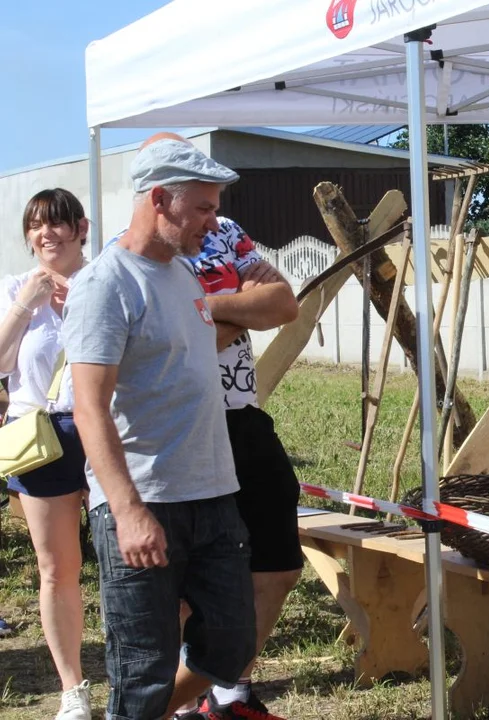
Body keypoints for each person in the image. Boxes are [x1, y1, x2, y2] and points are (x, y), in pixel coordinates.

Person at [63, 136, 256, 720]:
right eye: (202, 207)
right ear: (159, 201)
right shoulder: (106, 284)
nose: (213, 221)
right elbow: (89, 407)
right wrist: (127, 511)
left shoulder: (184, 276)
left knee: (232, 643)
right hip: (147, 499)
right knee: (144, 668)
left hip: (213, 496)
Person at [173, 208, 300, 719]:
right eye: (200, 199)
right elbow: (177, 342)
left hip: (243, 418)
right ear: (162, 195)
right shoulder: (137, 252)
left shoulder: (226, 231)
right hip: (184, 423)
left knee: (280, 564)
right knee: (191, 575)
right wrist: (238, 306)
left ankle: (229, 691)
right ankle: (181, 701)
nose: (211, 210)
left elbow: (283, 304)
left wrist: (207, 306)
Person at [0, 189, 92, 720]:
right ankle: (73, 689)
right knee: (57, 567)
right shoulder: (17, 287)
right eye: (36, 225)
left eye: (57, 223)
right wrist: (24, 304)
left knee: (135, 562)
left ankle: (149, 679)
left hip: (104, 431)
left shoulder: (104, 281)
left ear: (82, 227)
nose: (46, 234)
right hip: (37, 435)